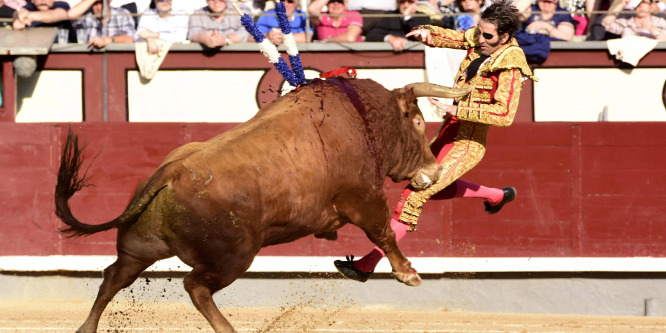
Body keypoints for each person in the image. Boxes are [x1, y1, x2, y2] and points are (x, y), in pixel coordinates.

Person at [334, 0, 535, 283]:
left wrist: (460, 110)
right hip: (449, 131)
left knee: (414, 194)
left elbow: (504, 115)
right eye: (480, 32)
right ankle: (497, 195)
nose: (481, 39)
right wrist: (427, 32)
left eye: (488, 36)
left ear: (505, 37)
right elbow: (455, 37)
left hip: (468, 142)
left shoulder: (511, 64)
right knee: (436, 189)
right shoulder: (481, 39)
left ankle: (367, 265)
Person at [365, 0, 430, 51]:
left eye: (410, 1)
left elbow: (422, 37)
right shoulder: (390, 16)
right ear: (397, 2)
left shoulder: (423, 17)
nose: (406, 5)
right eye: (402, 1)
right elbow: (371, 36)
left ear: (416, 2)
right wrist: (390, 38)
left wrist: (408, 18)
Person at [601, 0, 666, 39]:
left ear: (651, 6)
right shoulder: (626, 23)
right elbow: (606, 24)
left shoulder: (660, 22)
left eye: (644, 2)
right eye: (638, 3)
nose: (641, 5)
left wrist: (654, 30)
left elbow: (664, 41)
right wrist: (621, 5)